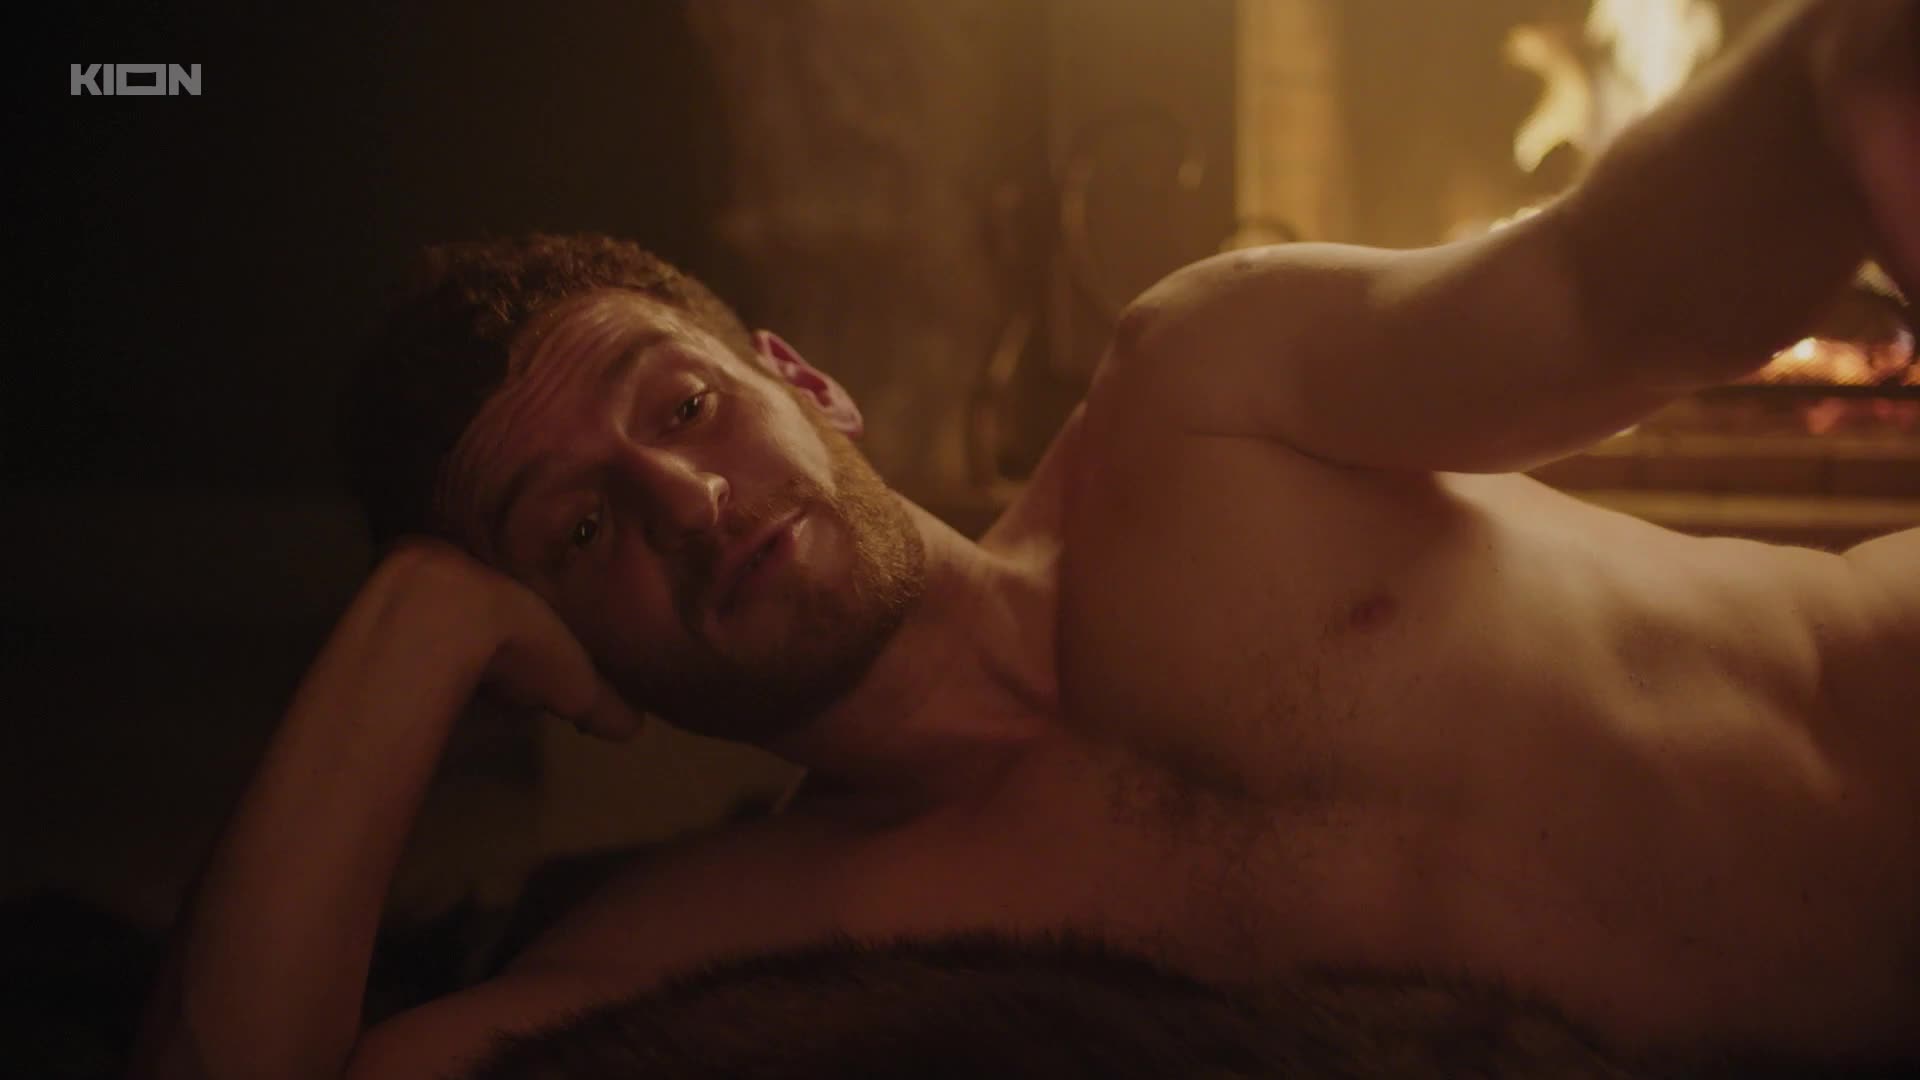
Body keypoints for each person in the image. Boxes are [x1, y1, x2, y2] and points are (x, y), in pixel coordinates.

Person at [130, 0, 1919, 1076]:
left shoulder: (1200, 398)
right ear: (557, 659)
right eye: (581, 527)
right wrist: (416, 624)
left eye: (680, 409)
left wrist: (1829, 77)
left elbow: (1607, 294)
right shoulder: (747, 943)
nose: (687, 502)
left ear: (805, 382)